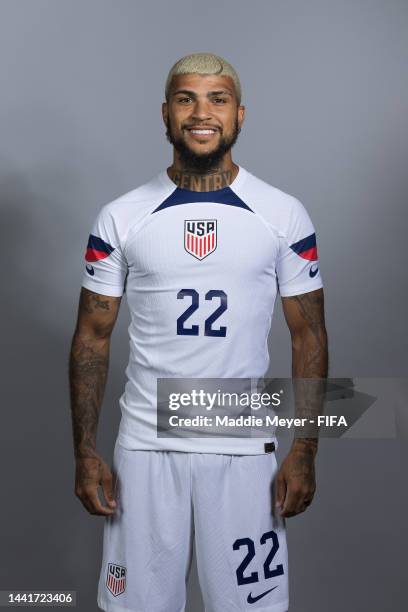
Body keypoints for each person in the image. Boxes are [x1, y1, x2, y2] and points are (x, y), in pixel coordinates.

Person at [69, 52, 328, 612]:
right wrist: (85, 451)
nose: (201, 112)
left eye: (218, 99)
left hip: (242, 450)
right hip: (144, 449)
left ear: (240, 114)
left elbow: (308, 336)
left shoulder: (282, 214)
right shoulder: (122, 216)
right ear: (165, 114)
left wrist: (304, 450)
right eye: (186, 99)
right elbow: (92, 335)